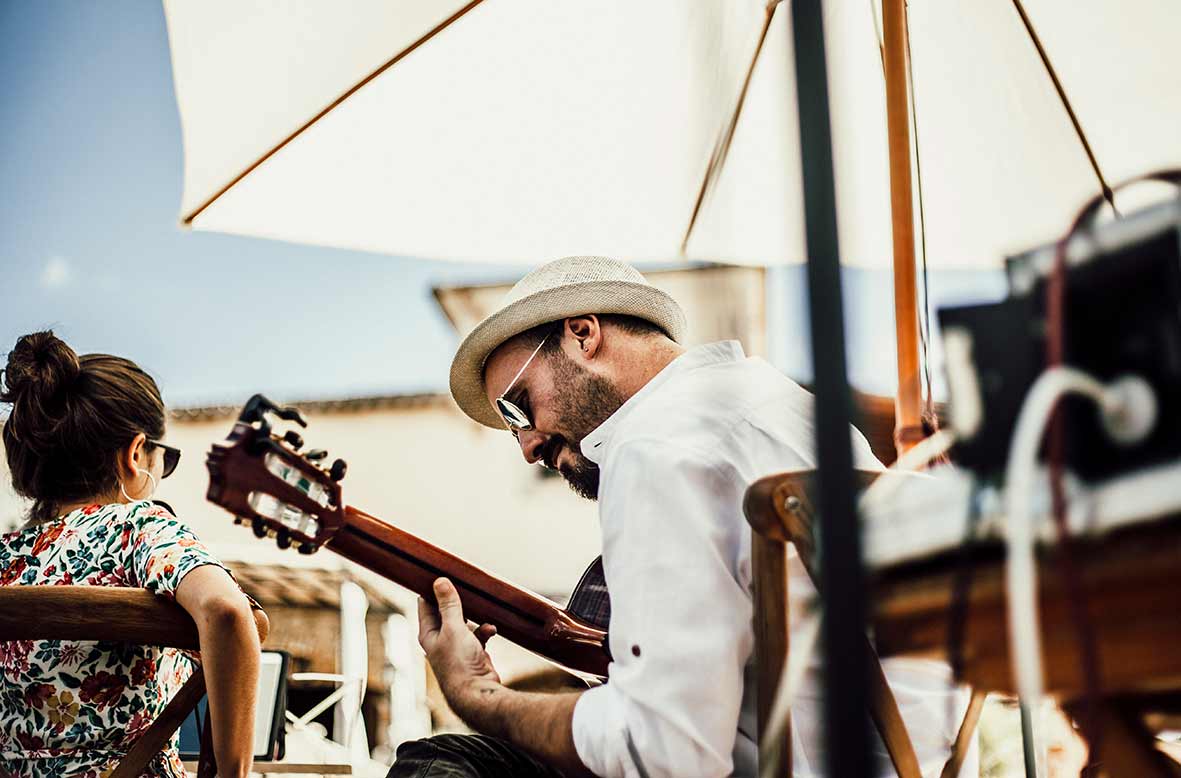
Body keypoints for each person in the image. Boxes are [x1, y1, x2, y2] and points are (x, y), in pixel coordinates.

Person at [389, 257, 976, 778]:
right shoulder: (788, 407)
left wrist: (481, 696)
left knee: (442, 765)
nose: (526, 446)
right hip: (911, 760)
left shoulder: (656, 445)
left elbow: (668, 756)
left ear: (582, 334)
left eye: (518, 407)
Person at [0, 331, 260, 778]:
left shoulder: (7, 557)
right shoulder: (139, 529)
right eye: (166, 459)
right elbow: (226, 611)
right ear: (136, 454)